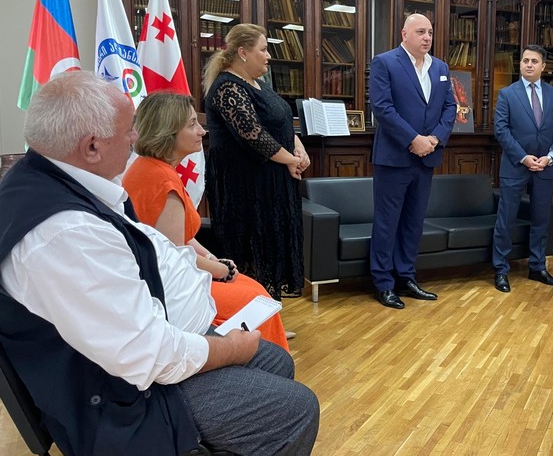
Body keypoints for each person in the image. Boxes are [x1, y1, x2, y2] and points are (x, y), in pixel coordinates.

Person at [0, 72, 318, 456]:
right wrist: (230, 348)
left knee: (274, 360)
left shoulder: (61, 184)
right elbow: (148, 355)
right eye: (127, 130)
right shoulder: (64, 232)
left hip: (138, 357)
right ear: (92, 146)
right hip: (117, 399)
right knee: (296, 408)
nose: (135, 138)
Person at [123, 92, 291, 349]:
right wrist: (220, 270)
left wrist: (213, 259)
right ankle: (263, 358)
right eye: (192, 124)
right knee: (254, 297)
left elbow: (183, 238)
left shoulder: (152, 168)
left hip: (170, 276)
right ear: (168, 131)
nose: (202, 131)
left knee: (254, 289)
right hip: (168, 290)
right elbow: (175, 255)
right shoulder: (162, 180)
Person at [203, 23, 309, 299]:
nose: (268, 56)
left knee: (272, 247)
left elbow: (281, 120)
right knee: (252, 250)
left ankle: (267, 310)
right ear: (243, 52)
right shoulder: (227, 87)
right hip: (245, 186)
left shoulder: (259, 83)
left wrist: (298, 148)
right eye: (263, 49)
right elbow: (254, 135)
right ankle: (250, 314)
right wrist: (291, 160)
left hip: (271, 181)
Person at [369, 13, 457, 309]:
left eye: (430, 32)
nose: (427, 37)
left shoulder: (440, 67)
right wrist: (413, 139)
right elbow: (382, 107)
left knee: (414, 222)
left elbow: (450, 107)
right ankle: (383, 283)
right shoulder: (385, 62)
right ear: (404, 34)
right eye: (420, 31)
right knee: (387, 222)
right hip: (394, 158)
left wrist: (435, 139)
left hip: (427, 157)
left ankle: (406, 277)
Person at [492, 44, 553, 292]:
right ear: (520, 64)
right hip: (515, 166)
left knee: (541, 219)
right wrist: (524, 157)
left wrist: (550, 156)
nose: (529, 65)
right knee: (506, 219)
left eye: (534, 61)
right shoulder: (507, 94)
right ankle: (501, 270)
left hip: (545, 167)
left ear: (543, 66)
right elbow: (501, 130)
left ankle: (537, 267)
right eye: (525, 60)